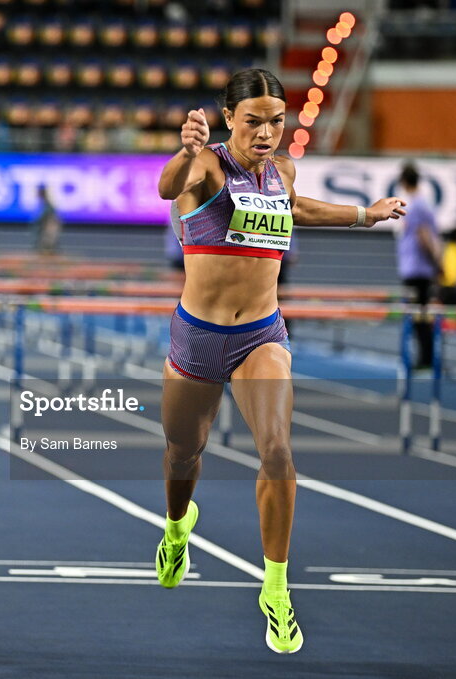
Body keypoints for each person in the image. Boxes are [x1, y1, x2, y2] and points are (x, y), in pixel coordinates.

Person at [155, 68, 405, 655]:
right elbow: (168, 189)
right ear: (227, 118)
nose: (267, 132)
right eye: (253, 121)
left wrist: (364, 215)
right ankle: (175, 529)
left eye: (276, 121)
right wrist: (184, 148)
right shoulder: (207, 167)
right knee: (182, 452)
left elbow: (298, 209)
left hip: (261, 335)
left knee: (277, 450)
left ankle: (275, 587)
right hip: (197, 334)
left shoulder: (281, 172)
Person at [394, 162, 441, 369]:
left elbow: (424, 237)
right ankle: (424, 357)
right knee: (417, 315)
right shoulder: (417, 204)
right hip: (415, 267)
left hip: (418, 269)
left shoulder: (418, 205)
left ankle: (426, 358)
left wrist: (437, 264)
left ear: (404, 182)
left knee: (420, 315)